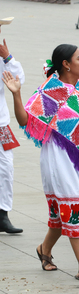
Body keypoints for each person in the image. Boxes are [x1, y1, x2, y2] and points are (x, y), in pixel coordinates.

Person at [5, 43, 79, 280]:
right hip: (58, 157)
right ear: (66, 64)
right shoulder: (50, 90)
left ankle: (44, 250)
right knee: (75, 205)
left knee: (64, 216)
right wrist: (17, 94)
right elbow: (24, 121)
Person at [0, 17, 24, 234]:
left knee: (6, 169)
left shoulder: (3, 59)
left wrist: (8, 57)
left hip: (1, 125)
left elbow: (19, 79)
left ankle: (3, 215)